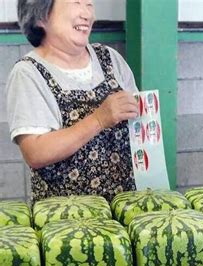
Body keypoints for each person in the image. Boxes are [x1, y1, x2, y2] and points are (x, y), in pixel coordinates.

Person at [6, 0, 139, 203]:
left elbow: (140, 123)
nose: (87, 14)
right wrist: (99, 120)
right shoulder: (28, 73)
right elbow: (35, 152)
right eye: (77, 2)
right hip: (66, 222)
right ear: (42, 15)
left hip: (123, 209)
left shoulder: (110, 58)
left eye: (89, 5)